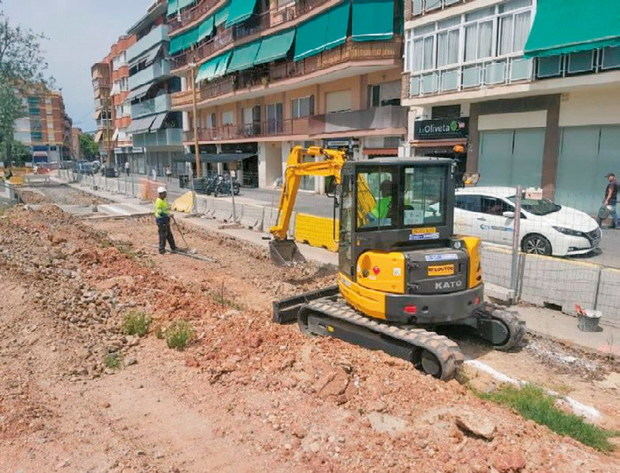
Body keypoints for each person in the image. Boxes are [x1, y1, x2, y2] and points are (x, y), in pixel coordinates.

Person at [154, 186, 177, 254]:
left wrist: (169, 214)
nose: (166, 194)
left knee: (169, 234)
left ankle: (173, 247)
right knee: (163, 235)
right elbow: (159, 212)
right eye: (164, 193)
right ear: (160, 194)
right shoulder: (159, 201)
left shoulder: (163, 200)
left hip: (166, 220)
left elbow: (165, 210)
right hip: (161, 220)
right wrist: (167, 215)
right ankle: (162, 250)